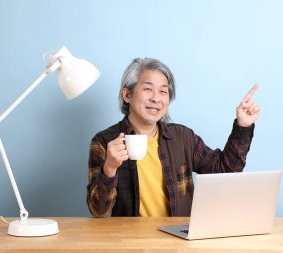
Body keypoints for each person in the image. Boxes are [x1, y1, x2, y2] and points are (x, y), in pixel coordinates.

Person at [87, 58, 260, 217]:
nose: (156, 98)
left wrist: (243, 126)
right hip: (132, 243)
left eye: (163, 91)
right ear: (127, 95)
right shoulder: (105, 143)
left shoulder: (183, 138)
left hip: (178, 241)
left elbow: (225, 171)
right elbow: (99, 211)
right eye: (147, 89)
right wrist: (109, 168)